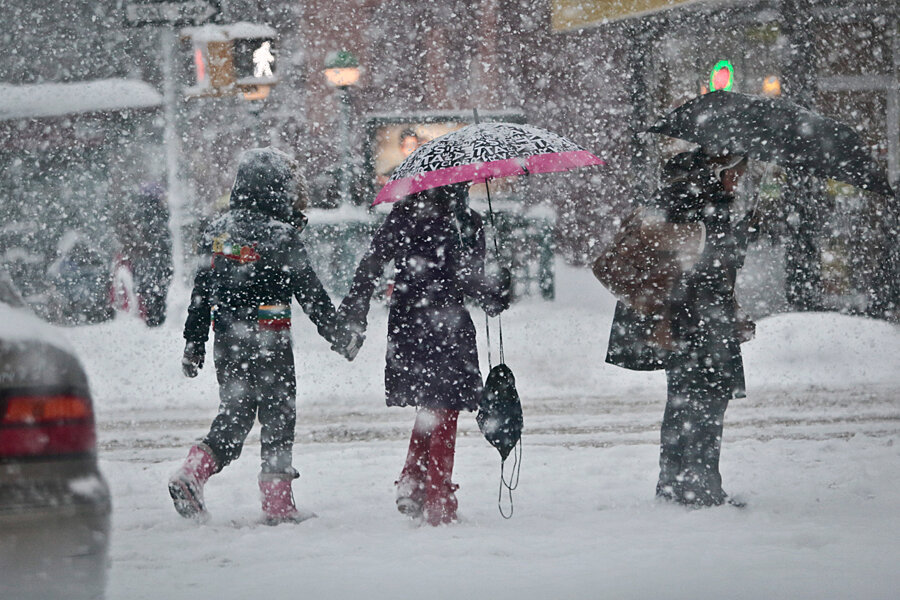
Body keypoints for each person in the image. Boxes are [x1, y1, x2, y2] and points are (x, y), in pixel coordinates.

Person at [169, 147, 362, 525]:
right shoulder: (281, 236)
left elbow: (201, 293)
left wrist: (194, 342)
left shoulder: (218, 233)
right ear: (279, 189)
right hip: (270, 335)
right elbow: (312, 296)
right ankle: (277, 504)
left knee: (236, 413)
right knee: (278, 416)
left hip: (228, 338)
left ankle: (193, 471)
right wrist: (342, 337)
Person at [338, 183, 510, 526]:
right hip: (447, 320)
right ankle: (438, 497)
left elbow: (372, 262)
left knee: (433, 404)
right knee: (445, 405)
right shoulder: (467, 222)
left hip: (408, 320)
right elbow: (472, 282)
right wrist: (498, 286)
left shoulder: (405, 214)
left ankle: (413, 481)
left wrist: (354, 310)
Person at [606, 148, 754, 508]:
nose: (738, 179)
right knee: (706, 402)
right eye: (735, 171)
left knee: (683, 402)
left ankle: (674, 484)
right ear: (718, 171)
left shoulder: (679, 195)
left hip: (680, 321)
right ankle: (700, 489)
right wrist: (733, 238)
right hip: (699, 320)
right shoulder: (704, 203)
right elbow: (705, 265)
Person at [113, 183, 174, 326]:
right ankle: (157, 319)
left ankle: (149, 318)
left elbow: (132, 236)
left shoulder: (138, 213)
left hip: (144, 260)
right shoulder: (161, 214)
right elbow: (164, 238)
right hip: (158, 259)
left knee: (146, 290)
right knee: (158, 291)